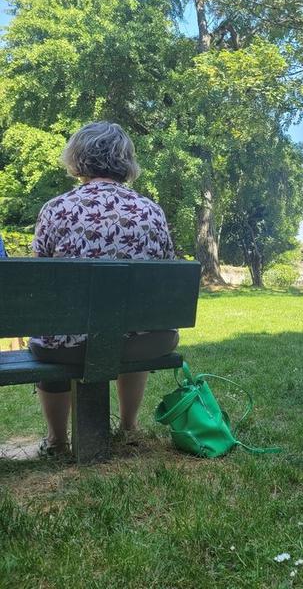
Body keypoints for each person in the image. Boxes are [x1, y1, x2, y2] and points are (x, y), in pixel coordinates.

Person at [30, 121, 177, 456]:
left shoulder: (55, 210)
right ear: (125, 161)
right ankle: (128, 428)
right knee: (133, 329)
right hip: (143, 343)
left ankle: (56, 442)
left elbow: (39, 283)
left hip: (66, 346)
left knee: (53, 332)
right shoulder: (151, 212)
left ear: (77, 158)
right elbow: (164, 273)